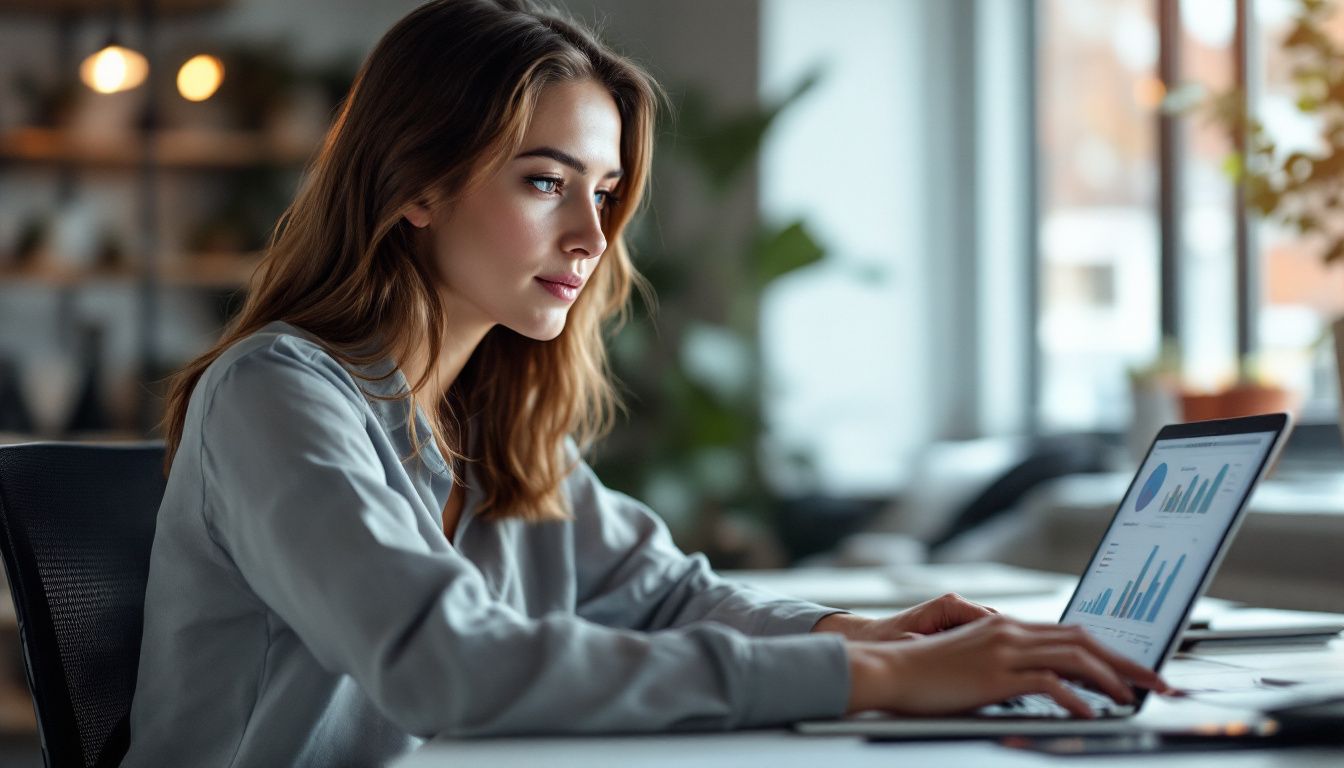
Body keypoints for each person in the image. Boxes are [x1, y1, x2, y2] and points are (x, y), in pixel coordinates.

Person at [122, 1, 1166, 765]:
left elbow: (664, 597)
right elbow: (445, 665)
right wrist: (876, 680)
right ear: (417, 187)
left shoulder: (490, 418)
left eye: (606, 191)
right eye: (544, 182)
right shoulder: (276, 397)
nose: (591, 237)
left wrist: (855, 635)